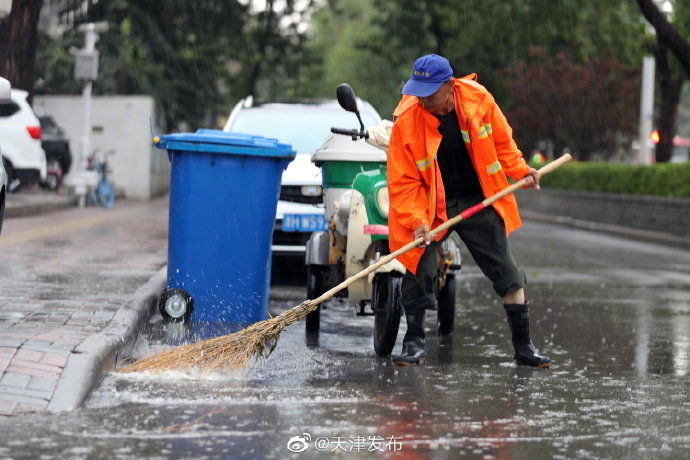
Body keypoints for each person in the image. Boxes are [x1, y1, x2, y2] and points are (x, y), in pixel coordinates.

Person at [386, 54, 550, 367]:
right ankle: (414, 341)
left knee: (507, 270)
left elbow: (503, 144)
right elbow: (404, 182)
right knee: (418, 262)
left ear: (450, 86)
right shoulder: (407, 118)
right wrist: (419, 223)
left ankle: (524, 347)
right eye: (419, 95)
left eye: (430, 95)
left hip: (478, 198)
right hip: (433, 203)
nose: (424, 103)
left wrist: (520, 170)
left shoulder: (478, 100)